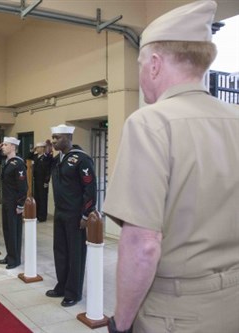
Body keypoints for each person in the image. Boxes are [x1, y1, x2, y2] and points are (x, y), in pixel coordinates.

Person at [102, 2, 239, 332]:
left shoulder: (150, 124)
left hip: (176, 312)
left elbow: (143, 245)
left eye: (139, 64)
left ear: (154, 64)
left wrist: (121, 323)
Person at [45, 124, 96, 307]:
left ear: (68, 138)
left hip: (75, 214)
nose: (54, 140)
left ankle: (73, 292)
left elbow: (90, 189)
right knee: (60, 251)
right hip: (60, 211)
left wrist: (85, 214)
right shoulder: (59, 158)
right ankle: (62, 285)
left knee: (75, 254)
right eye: (53, 137)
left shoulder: (81, 159)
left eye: (57, 137)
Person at [0, 137, 27, 269]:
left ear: (13, 147)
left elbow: (23, 187)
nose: (3, 147)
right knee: (6, 230)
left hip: (14, 202)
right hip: (6, 201)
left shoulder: (18, 164)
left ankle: (15, 259)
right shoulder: (7, 161)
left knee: (14, 231)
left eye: (5, 145)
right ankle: (10, 254)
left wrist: (20, 204)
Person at [26, 141, 52, 222]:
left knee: (43, 199)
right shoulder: (35, 156)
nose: (37, 149)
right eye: (36, 148)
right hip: (35, 180)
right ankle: (36, 215)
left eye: (38, 147)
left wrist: (46, 181)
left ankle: (42, 217)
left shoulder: (47, 157)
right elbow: (27, 157)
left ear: (42, 148)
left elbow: (48, 170)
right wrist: (32, 150)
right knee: (36, 198)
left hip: (43, 181)